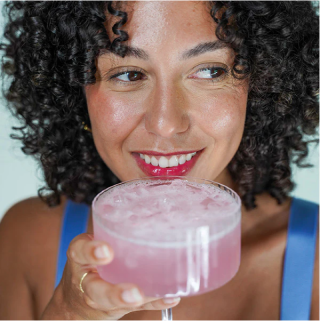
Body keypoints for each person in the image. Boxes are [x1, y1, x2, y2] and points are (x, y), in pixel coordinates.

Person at [0, 0, 318, 320]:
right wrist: (66, 314)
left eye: (209, 71)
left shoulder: (314, 263)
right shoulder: (28, 242)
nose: (166, 124)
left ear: (262, 82)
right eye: (128, 74)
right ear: (75, 88)